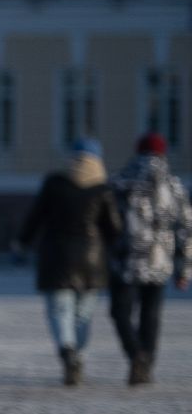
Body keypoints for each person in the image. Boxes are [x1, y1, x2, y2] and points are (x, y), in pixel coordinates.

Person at [15, 137, 122, 386]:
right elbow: (114, 229)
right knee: (83, 315)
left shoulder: (55, 183)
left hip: (57, 257)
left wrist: (22, 244)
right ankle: (78, 357)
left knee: (59, 311)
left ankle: (67, 350)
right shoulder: (102, 188)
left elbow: (35, 217)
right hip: (92, 261)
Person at [107, 132, 189, 385]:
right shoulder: (174, 185)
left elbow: (107, 222)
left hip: (127, 260)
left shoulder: (122, 181)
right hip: (159, 260)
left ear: (138, 151)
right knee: (151, 315)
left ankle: (136, 355)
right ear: (162, 153)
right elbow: (187, 227)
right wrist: (184, 268)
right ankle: (147, 364)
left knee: (120, 312)